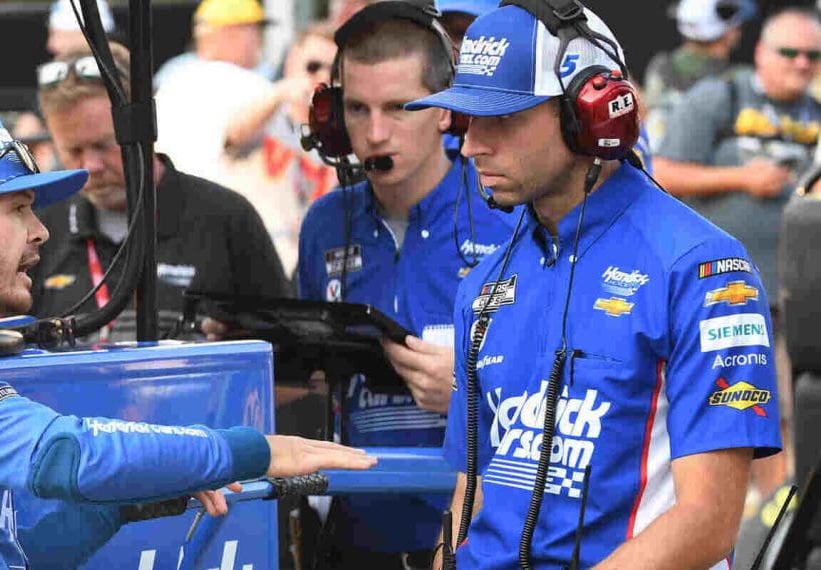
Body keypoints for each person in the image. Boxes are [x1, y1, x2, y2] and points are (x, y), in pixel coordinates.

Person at [0, 112, 376, 568]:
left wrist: (123, 501)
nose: (40, 231)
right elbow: (66, 455)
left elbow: (19, 559)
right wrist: (251, 449)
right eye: (18, 208)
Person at [406, 3, 783, 568]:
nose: (472, 144)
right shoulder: (482, 286)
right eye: (466, 120)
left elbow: (709, 522)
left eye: (501, 119)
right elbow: (470, 495)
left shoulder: (705, 270)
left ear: (592, 116)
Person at [297, 3, 517, 567]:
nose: (374, 133)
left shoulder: (511, 212)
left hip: (484, 535)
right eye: (356, 109)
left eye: (399, 108)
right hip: (353, 536)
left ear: (447, 112)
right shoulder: (325, 223)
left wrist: (473, 396)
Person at [654, 7, 820, 507]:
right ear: (760, 53)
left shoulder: (816, 113)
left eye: (813, 55)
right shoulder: (721, 96)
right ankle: (766, 521)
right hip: (728, 291)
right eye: (788, 52)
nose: (801, 63)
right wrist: (741, 179)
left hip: (803, 292)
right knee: (747, 411)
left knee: (800, 409)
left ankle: (791, 520)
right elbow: (660, 172)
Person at [32, 43, 291, 335]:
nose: (91, 165)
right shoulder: (39, 231)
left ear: (146, 124)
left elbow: (284, 350)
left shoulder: (225, 219)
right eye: (73, 150)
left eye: (103, 145)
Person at [221, 21, 339, 274]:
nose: (322, 77)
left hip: (316, 266)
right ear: (291, 64)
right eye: (313, 66)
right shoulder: (266, 118)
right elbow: (233, 134)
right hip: (259, 266)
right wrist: (282, 92)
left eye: (334, 70)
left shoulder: (345, 135)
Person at [154, 0, 274, 182]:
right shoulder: (252, 85)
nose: (260, 41)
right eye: (255, 31)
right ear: (232, 34)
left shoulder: (171, 75)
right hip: (226, 199)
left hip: (169, 193)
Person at [642, 0, 756, 151]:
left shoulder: (659, 65)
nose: (738, 31)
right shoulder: (739, 78)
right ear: (728, 32)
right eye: (736, 26)